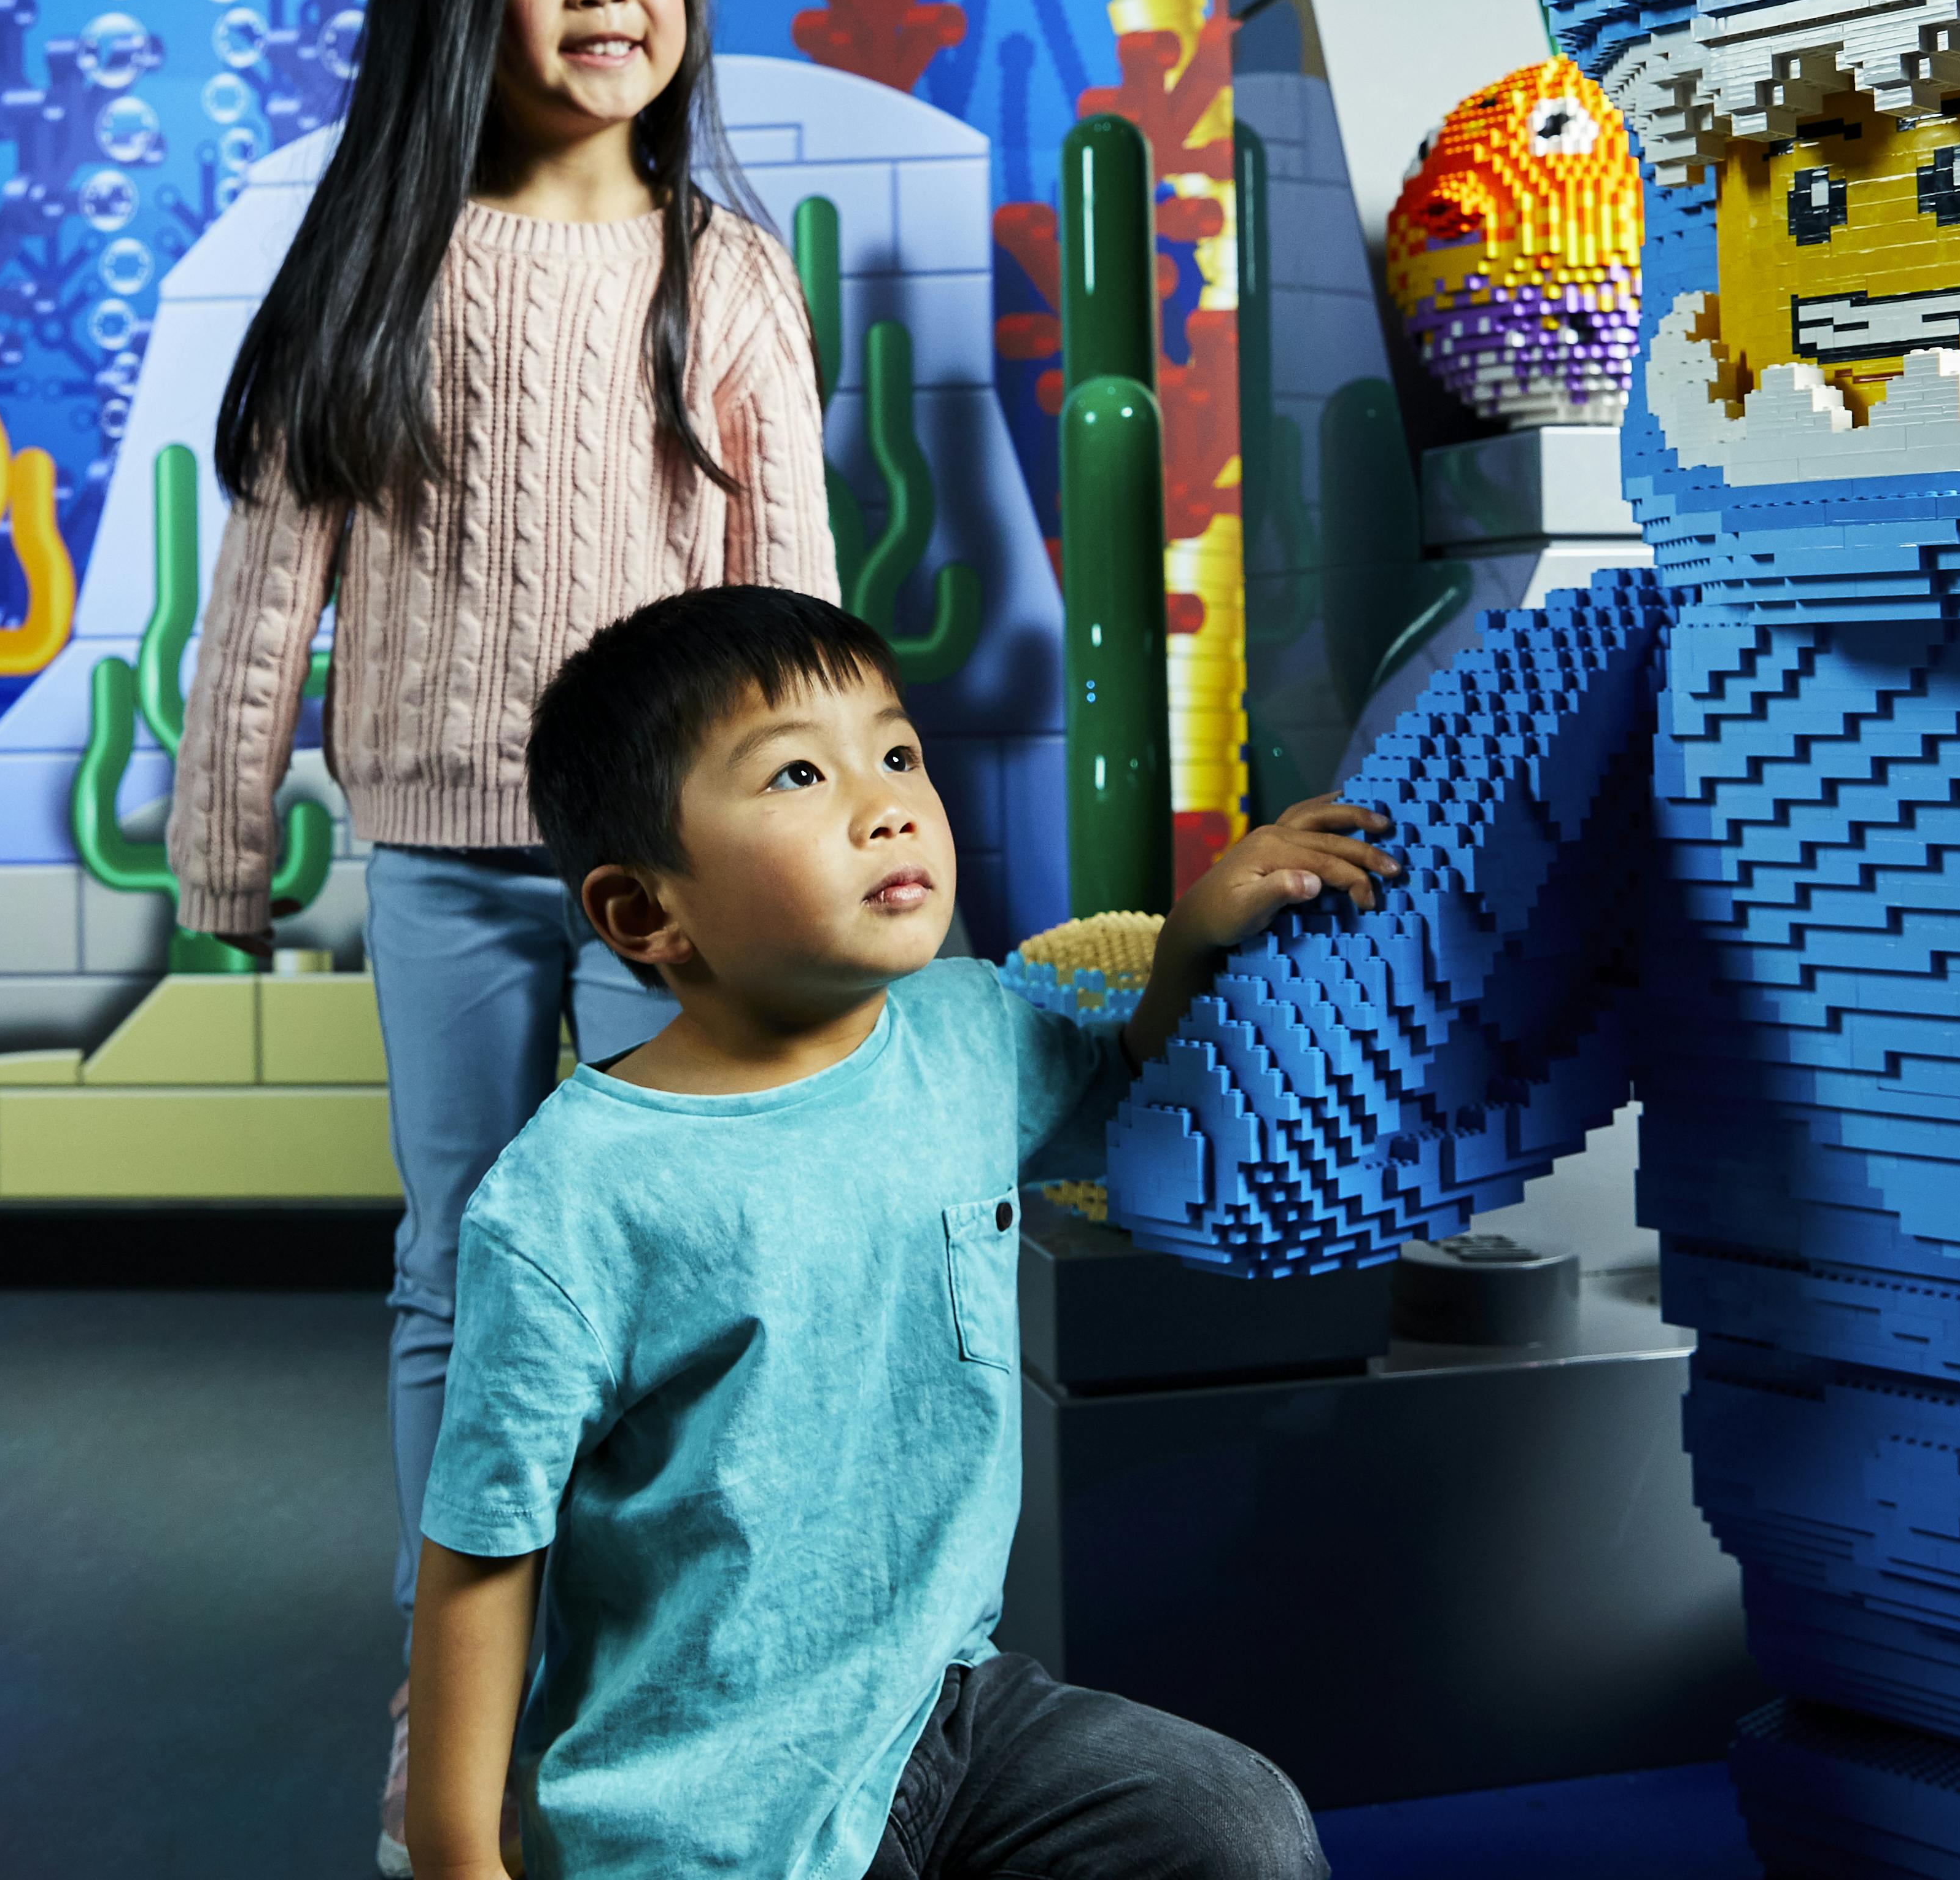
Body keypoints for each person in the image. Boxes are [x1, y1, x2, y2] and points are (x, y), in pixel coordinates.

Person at [166, 0, 836, 1873]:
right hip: (445, 852)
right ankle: (445, 1677)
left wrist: (813, 839)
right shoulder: (380, 256)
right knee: (461, 1256)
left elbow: (785, 585)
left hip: (670, 874)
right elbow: (270, 573)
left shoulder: (716, 267)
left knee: (685, 1257)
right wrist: (225, 819)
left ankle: (678, 1672)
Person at [405, 583, 1391, 1879]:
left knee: (1234, 1825)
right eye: (799, 773)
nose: (886, 801)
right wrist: (456, 1853)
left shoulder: (971, 1029)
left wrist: (1194, 944)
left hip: (942, 1708)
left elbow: (1127, 1083)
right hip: (699, 1804)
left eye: (896, 751)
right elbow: (484, 1547)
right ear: (647, 915)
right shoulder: (573, 1193)